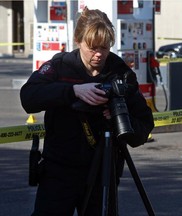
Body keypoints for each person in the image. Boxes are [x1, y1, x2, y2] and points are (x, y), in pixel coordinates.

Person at [20, 7, 154, 216]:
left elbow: (144, 127)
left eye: (105, 47)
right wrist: (73, 91)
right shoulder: (62, 66)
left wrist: (121, 118)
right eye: (92, 47)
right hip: (59, 170)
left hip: (103, 171)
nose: (99, 54)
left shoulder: (120, 73)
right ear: (78, 40)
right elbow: (29, 97)